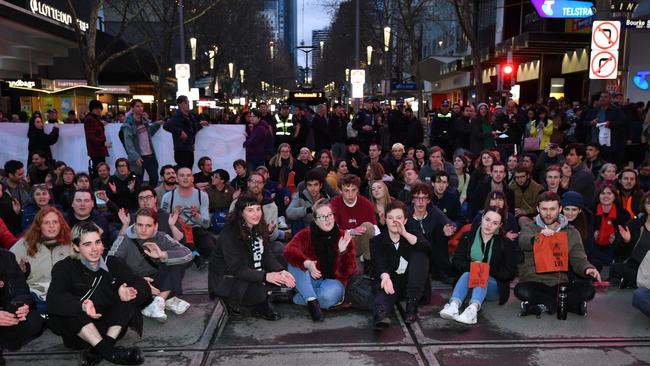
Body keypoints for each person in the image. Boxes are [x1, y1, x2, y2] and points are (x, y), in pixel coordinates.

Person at [47, 222, 150, 365]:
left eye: (97, 242)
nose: (95, 249)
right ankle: (111, 354)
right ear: (76, 247)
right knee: (71, 308)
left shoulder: (113, 263)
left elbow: (143, 285)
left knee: (127, 298)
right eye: (87, 244)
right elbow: (53, 298)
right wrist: (82, 306)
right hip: (80, 333)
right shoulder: (64, 267)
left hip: (111, 329)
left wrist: (131, 291)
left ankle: (100, 350)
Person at [208, 194, 296, 320]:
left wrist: (280, 270)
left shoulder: (257, 227)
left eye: (258, 209)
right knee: (261, 287)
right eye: (250, 210)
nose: (256, 214)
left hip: (248, 268)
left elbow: (266, 255)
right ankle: (239, 302)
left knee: (282, 263)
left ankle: (262, 297)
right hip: (227, 279)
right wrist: (266, 276)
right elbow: (236, 269)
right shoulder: (229, 234)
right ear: (241, 213)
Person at [515, 192, 601, 317]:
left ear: (560, 209)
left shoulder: (571, 232)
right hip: (534, 281)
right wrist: (539, 238)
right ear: (538, 209)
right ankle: (569, 305)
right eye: (544, 209)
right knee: (520, 290)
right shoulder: (530, 228)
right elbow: (523, 242)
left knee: (588, 291)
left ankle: (543, 305)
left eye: (552, 209)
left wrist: (588, 268)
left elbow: (578, 258)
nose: (548, 213)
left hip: (560, 282)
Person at [109, 208, 192, 322]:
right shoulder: (124, 239)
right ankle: (166, 298)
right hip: (134, 281)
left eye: (148, 225)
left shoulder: (161, 237)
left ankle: (159, 301)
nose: (143, 229)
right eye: (140, 225)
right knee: (127, 294)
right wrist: (138, 280)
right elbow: (110, 263)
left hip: (156, 279)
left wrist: (163, 254)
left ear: (156, 226)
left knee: (177, 261)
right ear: (135, 224)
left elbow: (187, 254)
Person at [439, 206, 518, 324]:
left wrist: (487, 269)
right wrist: (473, 266)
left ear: (500, 225)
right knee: (469, 273)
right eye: (487, 220)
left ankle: (473, 310)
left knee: (482, 272)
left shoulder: (505, 243)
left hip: (493, 287)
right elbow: (456, 262)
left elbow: (511, 272)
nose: (489, 225)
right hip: (468, 285)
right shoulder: (467, 236)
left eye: (495, 223)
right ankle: (454, 306)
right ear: (482, 218)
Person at [284, 200, 356, 320]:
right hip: (309, 279)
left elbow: (347, 272)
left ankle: (299, 297)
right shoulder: (306, 234)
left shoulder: (344, 236)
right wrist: (307, 263)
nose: (327, 219)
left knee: (328, 297)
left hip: (332, 282)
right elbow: (289, 250)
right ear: (316, 221)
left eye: (329, 215)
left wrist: (342, 252)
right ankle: (312, 302)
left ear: (334, 217)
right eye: (322, 217)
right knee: (295, 262)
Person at [371, 201, 430, 327]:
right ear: (385, 219)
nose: (394, 222)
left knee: (420, 254)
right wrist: (385, 276)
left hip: (411, 282)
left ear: (405, 220)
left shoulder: (412, 234)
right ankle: (381, 313)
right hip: (391, 281)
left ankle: (412, 305)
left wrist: (404, 234)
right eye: (390, 218)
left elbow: (427, 248)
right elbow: (379, 262)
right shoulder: (377, 241)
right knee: (383, 284)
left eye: (398, 218)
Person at [0, 248, 46, 364]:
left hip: (6, 312)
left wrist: (22, 305)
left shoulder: (7, 257)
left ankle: (7, 341)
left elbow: (21, 288)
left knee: (34, 320)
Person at [160, 167, 213, 267]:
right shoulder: (168, 197)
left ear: (192, 179)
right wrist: (173, 215)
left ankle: (197, 253)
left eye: (188, 175)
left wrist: (197, 216)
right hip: (179, 232)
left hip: (197, 230)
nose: (185, 178)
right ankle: (195, 256)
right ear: (177, 179)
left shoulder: (202, 196)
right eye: (182, 175)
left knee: (210, 249)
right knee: (185, 256)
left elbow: (206, 224)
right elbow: (163, 222)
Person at [329, 175, 377, 272]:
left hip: (360, 242)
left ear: (358, 190)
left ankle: (367, 260)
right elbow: (332, 230)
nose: (350, 194)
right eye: (346, 190)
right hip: (342, 242)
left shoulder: (366, 203)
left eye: (353, 190)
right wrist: (351, 232)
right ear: (340, 191)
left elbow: (375, 229)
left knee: (369, 227)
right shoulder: (334, 203)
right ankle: (355, 261)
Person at [608, 191, 650, 288]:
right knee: (615, 268)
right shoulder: (635, 224)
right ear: (644, 205)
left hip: (648, 269)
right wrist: (625, 241)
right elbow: (618, 251)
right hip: (633, 265)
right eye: (649, 203)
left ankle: (630, 282)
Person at [590, 184, 631, 271]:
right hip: (593, 248)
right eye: (603, 193)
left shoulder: (623, 214)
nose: (606, 196)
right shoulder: (590, 211)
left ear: (615, 196)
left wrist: (616, 236)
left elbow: (625, 237)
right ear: (598, 196)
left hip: (613, 248)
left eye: (609, 193)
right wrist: (592, 234)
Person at [163, 95, 209, 169]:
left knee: (189, 170)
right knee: (183, 171)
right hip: (181, 150)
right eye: (185, 103)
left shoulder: (190, 116)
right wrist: (180, 132)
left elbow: (193, 129)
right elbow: (166, 126)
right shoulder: (176, 117)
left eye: (188, 102)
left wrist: (200, 124)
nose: (188, 104)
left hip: (189, 149)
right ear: (179, 104)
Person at [84, 99, 111, 179]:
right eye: (96, 108)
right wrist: (103, 143)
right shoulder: (90, 120)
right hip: (97, 151)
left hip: (98, 150)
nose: (99, 110)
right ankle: (97, 187)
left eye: (100, 108)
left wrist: (101, 124)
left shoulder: (94, 119)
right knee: (99, 171)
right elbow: (90, 136)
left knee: (99, 170)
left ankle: (98, 186)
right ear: (92, 109)